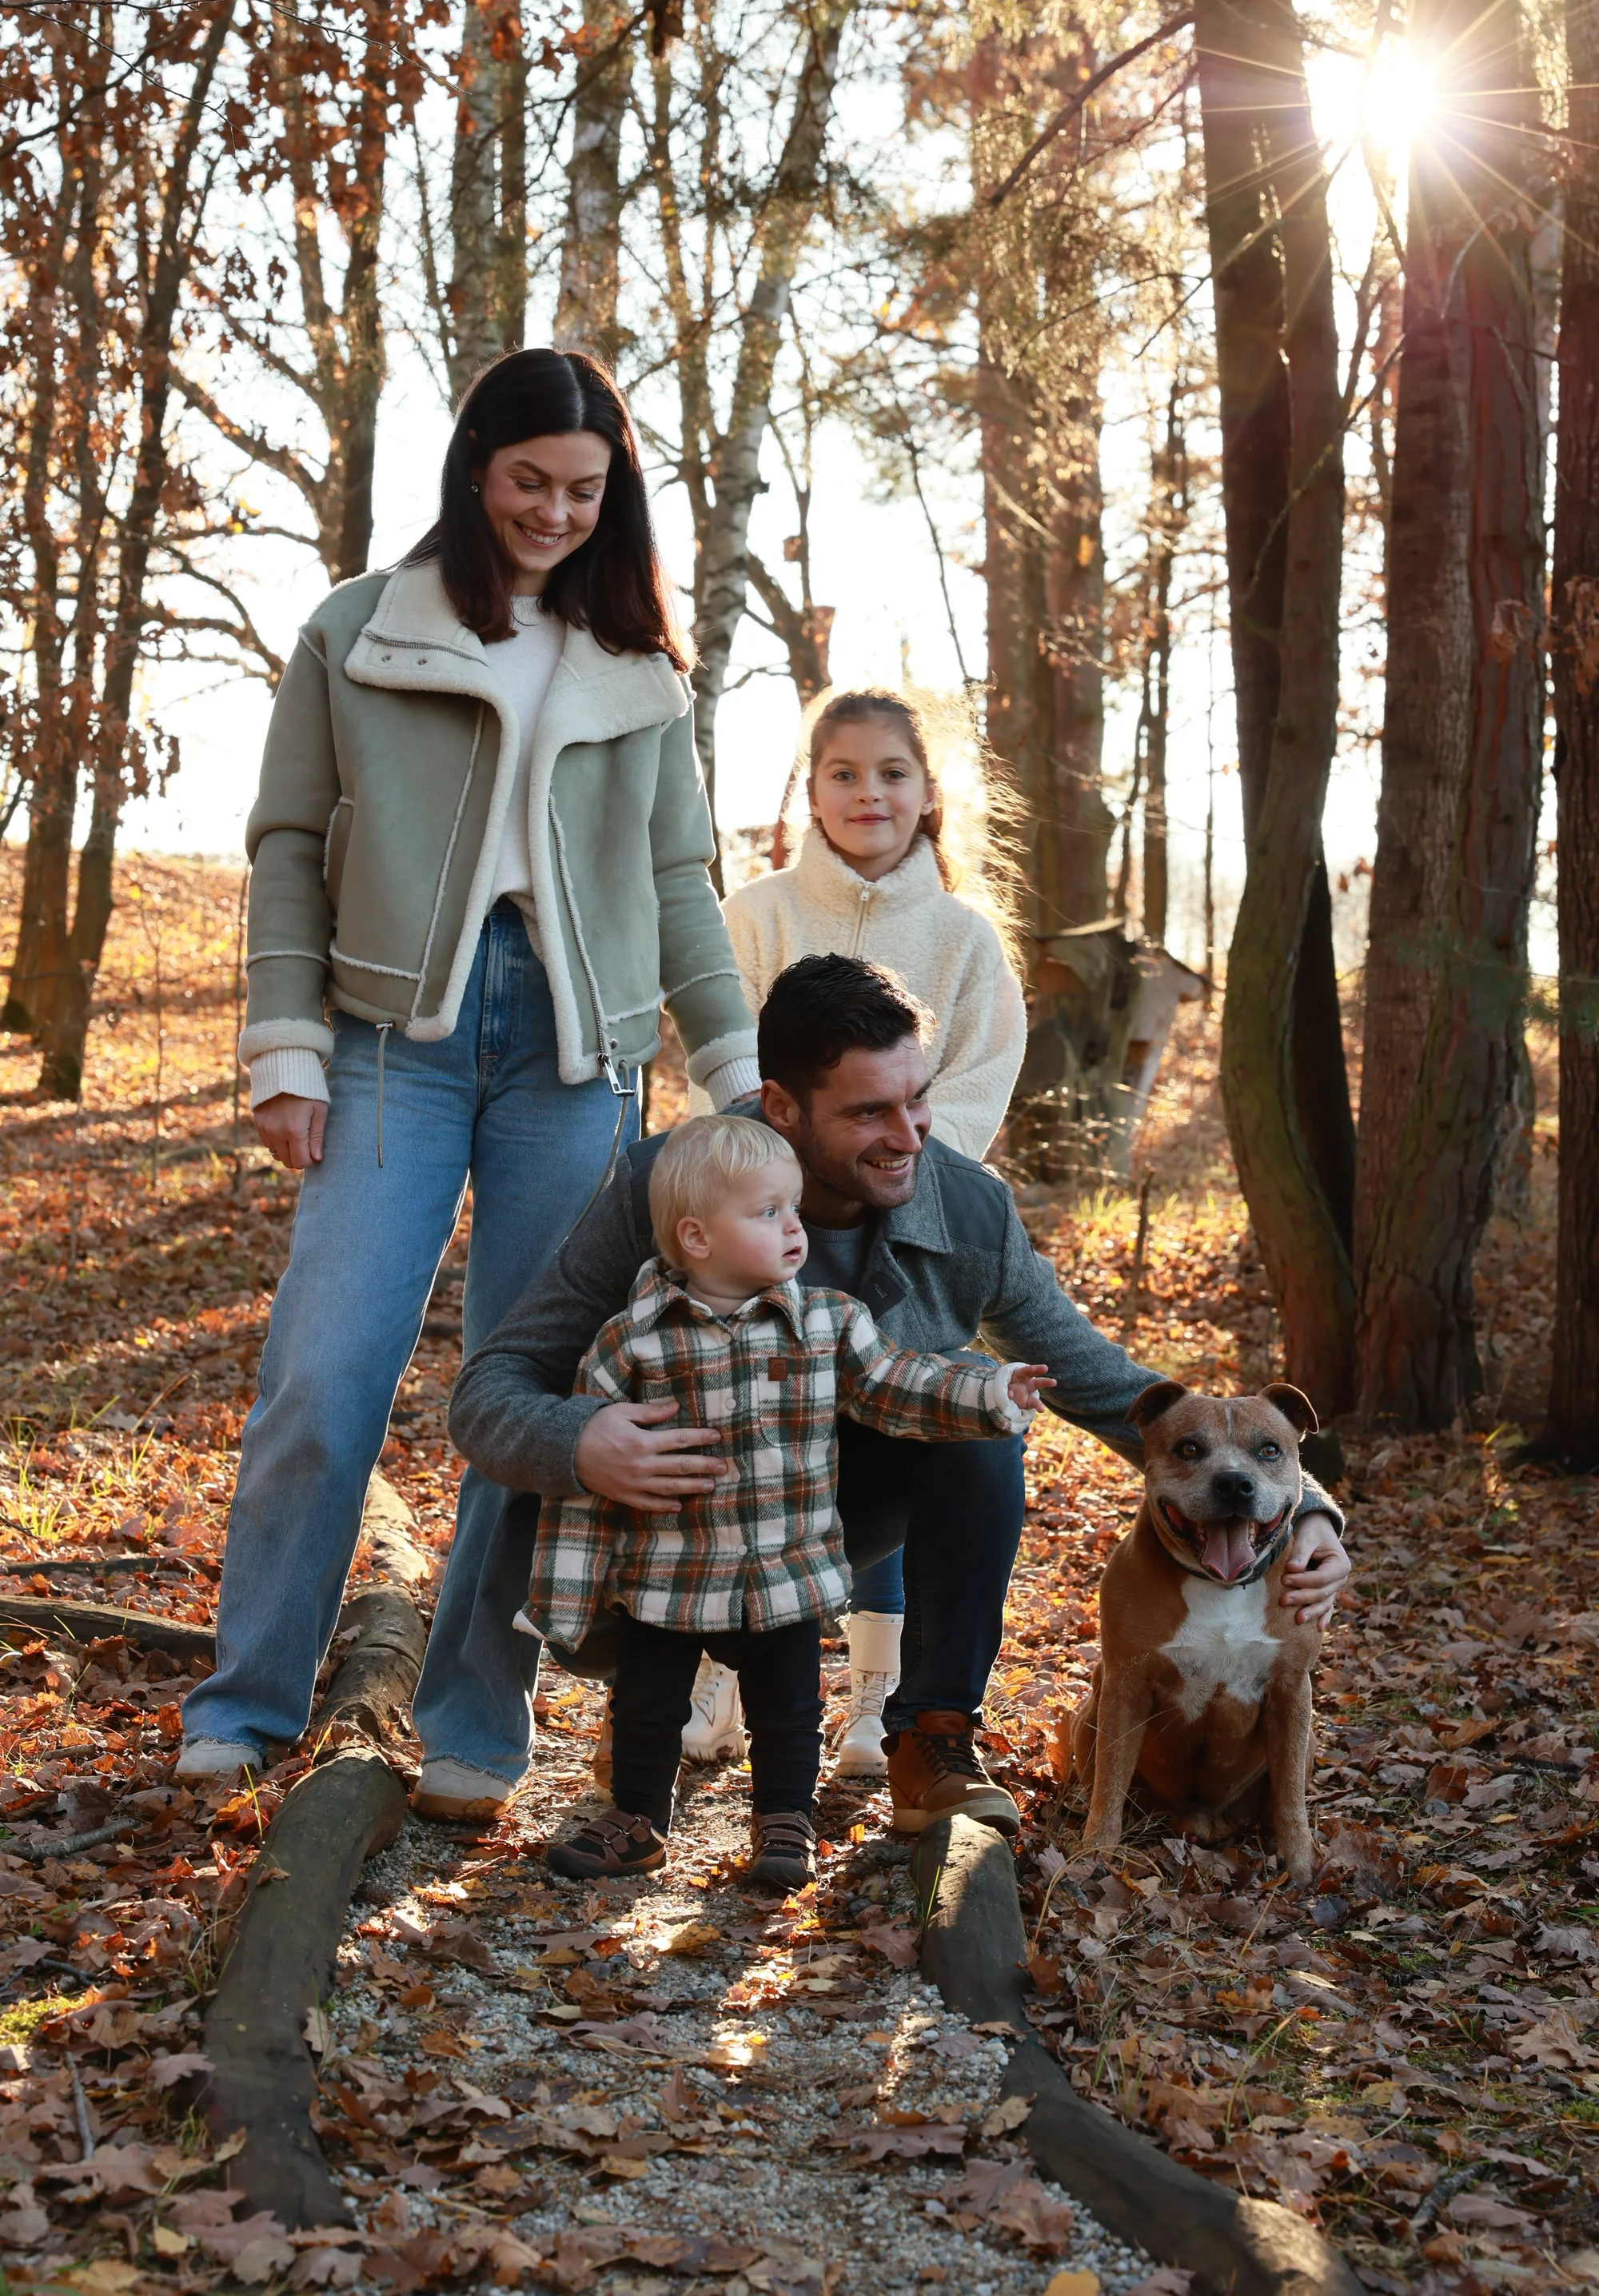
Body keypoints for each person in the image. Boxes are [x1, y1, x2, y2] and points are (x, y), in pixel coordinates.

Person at [177, 348, 758, 1815]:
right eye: (528, 482)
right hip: (390, 1046)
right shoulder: (361, 630)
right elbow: (290, 845)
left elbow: (678, 882)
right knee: (326, 1372)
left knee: (530, 1388)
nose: (556, 512)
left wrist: (734, 1066)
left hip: (577, 1060)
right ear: (475, 465)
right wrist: (284, 1043)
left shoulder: (638, 669)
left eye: (586, 489)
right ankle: (246, 1703)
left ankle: (475, 1722)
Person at [449, 954, 1352, 1839]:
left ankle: (930, 1737)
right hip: (663, 1529)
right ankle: (579, 1708)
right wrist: (583, 1440)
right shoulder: (668, 1186)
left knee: (979, 1413)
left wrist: (1305, 1507)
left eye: (915, 1098)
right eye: (868, 1112)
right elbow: (490, 1388)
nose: (909, 1134)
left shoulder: (967, 1212)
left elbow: (1112, 1389)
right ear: (781, 1108)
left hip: (825, 1522)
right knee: (538, 1479)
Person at [524, 1114, 1048, 1884]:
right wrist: (566, 1601)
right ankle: (637, 1820)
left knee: (788, 1708)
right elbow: (586, 1483)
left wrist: (991, 1391)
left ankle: (782, 1823)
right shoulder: (630, 1343)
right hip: (667, 1570)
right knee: (645, 1704)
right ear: (698, 1238)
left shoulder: (829, 1323)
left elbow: (900, 1384)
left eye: (793, 1207)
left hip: (783, 1565)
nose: (796, 1228)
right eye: (769, 1212)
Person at [682, 688, 1030, 1778]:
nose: (867, 792)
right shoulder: (756, 916)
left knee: (899, 1414)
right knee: (757, 1431)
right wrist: (768, 1188)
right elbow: (719, 1056)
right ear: (811, 791)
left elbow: (977, 1078)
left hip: (909, 1228)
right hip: (763, 1226)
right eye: (842, 772)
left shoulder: (963, 938)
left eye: (891, 773)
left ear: (928, 794)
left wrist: (900, 1175)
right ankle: (719, 1671)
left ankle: (878, 1694)